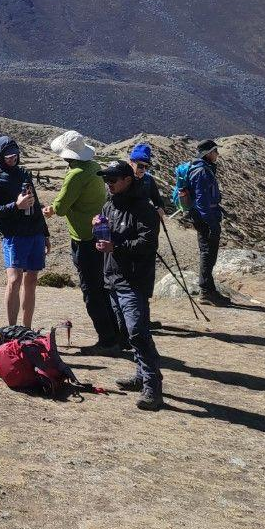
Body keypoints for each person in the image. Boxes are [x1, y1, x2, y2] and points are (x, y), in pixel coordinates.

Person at [94, 160, 164, 410]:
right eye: (107, 181)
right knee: (127, 331)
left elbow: (148, 244)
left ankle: (153, 387)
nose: (109, 184)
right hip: (113, 277)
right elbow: (108, 239)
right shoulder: (109, 206)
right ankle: (141, 375)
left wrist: (116, 247)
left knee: (138, 332)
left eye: (113, 180)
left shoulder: (143, 208)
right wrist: (99, 233)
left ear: (127, 180)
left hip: (133, 280)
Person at [44, 129, 121, 351]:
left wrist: (50, 209)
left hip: (84, 238)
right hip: (99, 234)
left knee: (91, 290)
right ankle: (115, 334)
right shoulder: (95, 167)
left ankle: (107, 339)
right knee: (102, 286)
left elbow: (60, 207)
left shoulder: (76, 174)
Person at [0, 135, 50, 327]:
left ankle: (26, 328)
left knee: (32, 280)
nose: (12, 158)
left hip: (34, 233)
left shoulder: (23, 174)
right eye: (8, 156)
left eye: (15, 154)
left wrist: (45, 233)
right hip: (13, 235)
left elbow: (35, 205)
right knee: (14, 280)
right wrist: (16, 206)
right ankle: (12, 329)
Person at [187, 139, 232, 306]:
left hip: (202, 216)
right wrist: (211, 223)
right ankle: (206, 291)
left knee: (208, 252)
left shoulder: (200, 169)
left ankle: (209, 289)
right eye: (215, 151)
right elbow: (202, 201)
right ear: (208, 154)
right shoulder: (202, 172)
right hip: (206, 218)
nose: (217, 154)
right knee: (208, 252)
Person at [126, 144, 167, 327]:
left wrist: (159, 209)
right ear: (131, 162)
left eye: (146, 166)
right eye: (140, 165)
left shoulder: (149, 181)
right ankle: (134, 320)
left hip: (147, 236)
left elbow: (159, 202)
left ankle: (145, 318)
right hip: (129, 236)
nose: (142, 170)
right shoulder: (123, 180)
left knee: (146, 277)